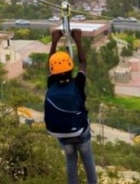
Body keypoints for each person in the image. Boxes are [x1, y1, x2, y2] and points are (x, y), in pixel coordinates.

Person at [46, 28, 98, 184]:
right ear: (70, 67)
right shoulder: (78, 83)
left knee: (70, 159)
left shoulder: (51, 84)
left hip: (62, 135)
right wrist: (78, 40)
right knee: (87, 157)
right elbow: (83, 63)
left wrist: (54, 41)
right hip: (80, 131)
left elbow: (50, 67)